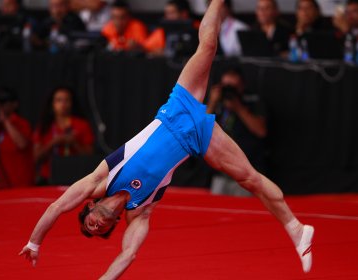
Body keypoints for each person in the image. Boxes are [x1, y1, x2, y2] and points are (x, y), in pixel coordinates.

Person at [19, 1, 314, 278]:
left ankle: (294, 228)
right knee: (250, 178)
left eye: (89, 222)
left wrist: (34, 242)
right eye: (98, 230)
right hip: (197, 138)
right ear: (111, 225)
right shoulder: (141, 213)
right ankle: (299, 229)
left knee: (208, 46)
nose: (95, 225)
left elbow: (56, 206)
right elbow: (127, 256)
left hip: (176, 110)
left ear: (90, 205)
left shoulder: (100, 179)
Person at [207, 68, 267, 196]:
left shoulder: (253, 101)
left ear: (242, 86)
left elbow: (261, 131)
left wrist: (238, 107)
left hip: (245, 174)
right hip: (220, 173)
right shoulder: (217, 103)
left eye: (232, 87)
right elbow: (201, 129)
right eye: (225, 87)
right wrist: (212, 102)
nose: (229, 91)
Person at [33, 86, 94, 185]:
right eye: (59, 100)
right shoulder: (44, 126)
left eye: (67, 100)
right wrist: (54, 142)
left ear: (72, 103)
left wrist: (74, 143)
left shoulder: (82, 125)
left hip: (77, 178)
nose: (63, 104)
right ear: (52, 104)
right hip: (48, 179)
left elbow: (90, 155)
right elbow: (36, 158)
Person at [0, 88, 34, 188]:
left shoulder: (21, 123)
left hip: (21, 183)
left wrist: (4, 120)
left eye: (3, 103)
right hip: (2, 184)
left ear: (14, 104)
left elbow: (22, 144)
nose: (0, 107)